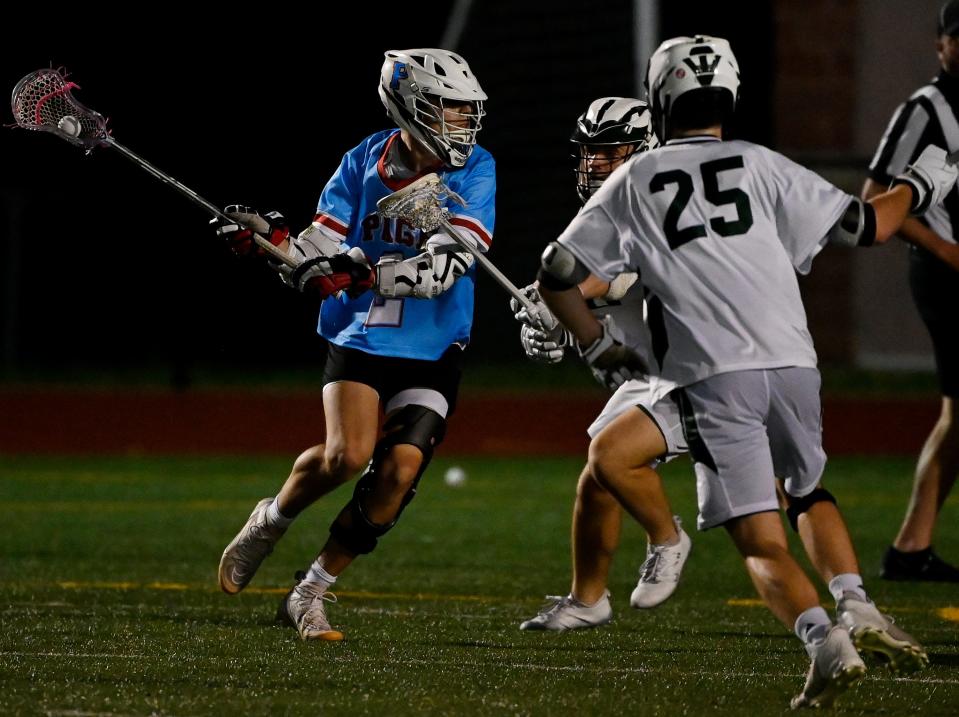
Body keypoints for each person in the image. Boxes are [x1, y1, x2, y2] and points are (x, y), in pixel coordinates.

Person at [537, 35, 947, 709]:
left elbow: (556, 271)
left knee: (758, 536)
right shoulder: (761, 162)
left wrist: (592, 344)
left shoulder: (633, 177)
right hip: (793, 359)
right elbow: (867, 226)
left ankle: (824, 641)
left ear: (658, 98)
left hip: (710, 371)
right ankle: (857, 604)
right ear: (727, 94)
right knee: (807, 490)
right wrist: (921, 183)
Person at [213, 48, 495, 641]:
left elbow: (446, 268)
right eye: (447, 109)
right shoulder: (363, 159)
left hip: (435, 343)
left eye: (466, 112)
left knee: (399, 473)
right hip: (361, 334)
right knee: (347, 457)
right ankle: (272, 519)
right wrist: (270, 242)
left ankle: (310, 591)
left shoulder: (476, 170)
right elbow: (317, 247)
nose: (460, 123)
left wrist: (361, 270)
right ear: (408, 106)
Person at [513, 97, 692, 632]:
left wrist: (562, 297)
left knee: (769, 506)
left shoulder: (656, 203)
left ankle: (667, 537)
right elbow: (599, 306)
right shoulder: (606, 212)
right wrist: (552, 327)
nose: (594, 164)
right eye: (590, 152)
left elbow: (624, 274)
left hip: (709, 366)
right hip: (657, 369)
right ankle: (588, 600)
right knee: (599, 479)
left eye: (609, 152)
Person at [862, 0, 959, 583]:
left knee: (958, 416)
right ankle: (908, 547)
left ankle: (910, 547)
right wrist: (947, 249)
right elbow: (876, 196)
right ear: (941, 45)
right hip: (946, 274)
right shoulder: (928, 109)